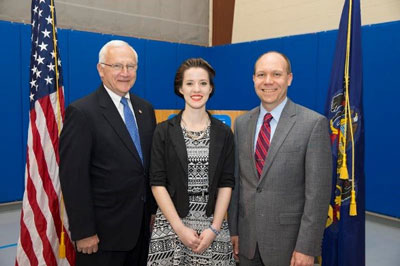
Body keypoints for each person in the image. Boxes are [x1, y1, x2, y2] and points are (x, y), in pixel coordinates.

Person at [228, 51, 332, 266]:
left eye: (276, 74)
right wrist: (234, 231)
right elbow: (239, 184)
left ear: (289, 79)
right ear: (253, 79)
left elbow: (317, 195)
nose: (268, 81)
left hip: (291, 246)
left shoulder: (313, 124)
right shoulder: (241, 124)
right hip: (247, 242)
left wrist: (307, 247)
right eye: (261, 75)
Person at [59, 40, 156, 266]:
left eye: (130, 66)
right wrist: (84, 231)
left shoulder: (146, 110)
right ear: (101, 69)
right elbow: (73, 177)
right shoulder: (82, 112)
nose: (125, 73)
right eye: (117, 66)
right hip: (101, 237)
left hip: (142, 232)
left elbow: (147, 168)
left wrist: (152, 211)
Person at [147, 58, 236, 265]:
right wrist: (179, 229)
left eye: (203, 83)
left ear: (211, 88)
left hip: (212, 228)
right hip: (172, 225)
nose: (197, 89)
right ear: (180, 88)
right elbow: (157, 183)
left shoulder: (224, 134)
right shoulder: (163, 131)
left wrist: (214, 228)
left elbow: (226, 183)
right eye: (190, 83)